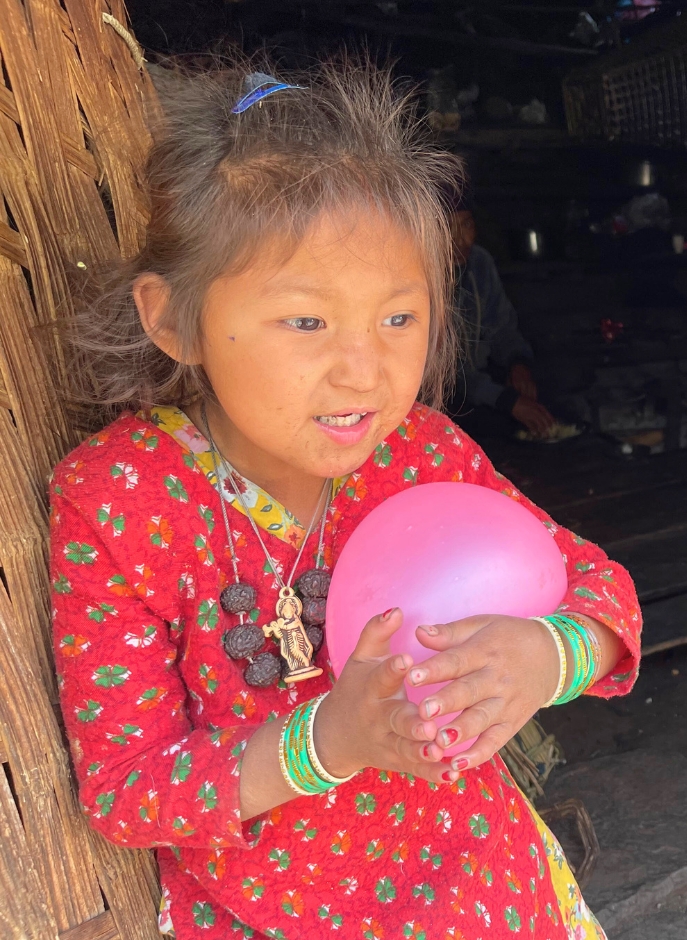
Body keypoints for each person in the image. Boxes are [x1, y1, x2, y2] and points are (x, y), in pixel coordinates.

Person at [50, 61, 641, 939]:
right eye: (307, 321)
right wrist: (325, 742)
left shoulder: (423, 453)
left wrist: (547, 656)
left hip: (485, 893)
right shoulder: (119, 502)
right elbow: (128, 788)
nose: (365, 369)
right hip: (272, 918)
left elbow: (602, 592)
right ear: (174, 319)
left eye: (398, 318)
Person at [448, 202, 556, 435]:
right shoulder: (417, 274)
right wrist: (505, 400)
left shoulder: (479, 263)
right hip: (437, 401)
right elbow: (442, 372)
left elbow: (501, 327)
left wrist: (517, 362)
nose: (460, 240)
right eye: (446, 227)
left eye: (466, 224)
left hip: (480, 387)